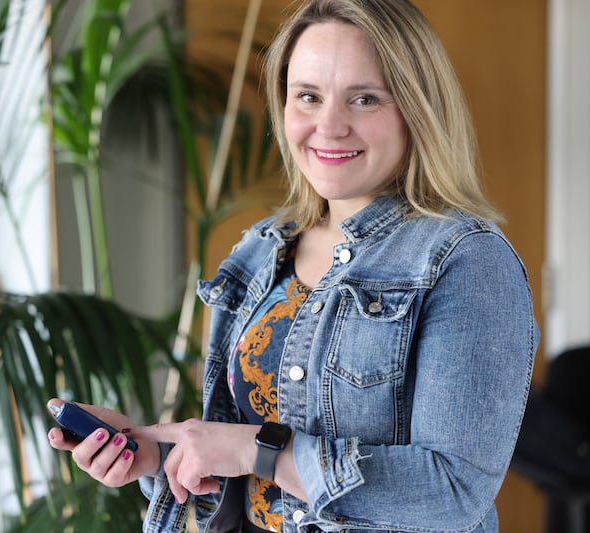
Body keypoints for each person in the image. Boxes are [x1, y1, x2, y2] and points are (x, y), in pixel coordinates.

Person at [46, 0, 539, 531]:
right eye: (308, 96)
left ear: (417, 110)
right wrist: (160, 457)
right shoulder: (261, 251)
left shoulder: (466, 260)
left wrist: (257, 452)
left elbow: (453, 491)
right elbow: (242, 467)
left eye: (364, 99)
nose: (329, 126)